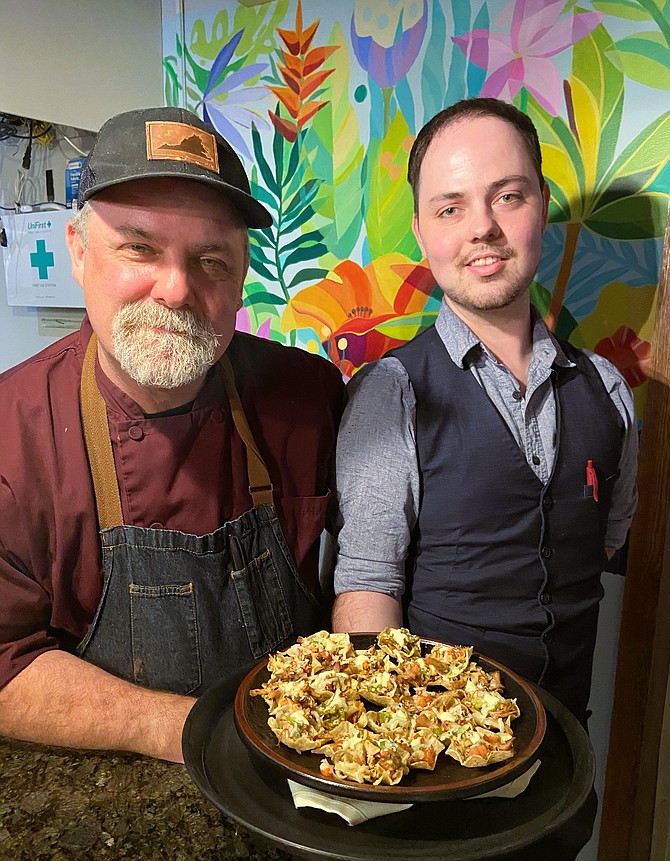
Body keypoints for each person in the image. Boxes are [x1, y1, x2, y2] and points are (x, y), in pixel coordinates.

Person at [0, 107, 344, 764]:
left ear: (243, 277)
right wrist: (196, 731)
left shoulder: (310, 399)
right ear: (78, 251)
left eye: (211, 259)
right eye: (140, 247)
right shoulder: (13, 438)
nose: (178, 287)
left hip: (303, 778)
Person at [332, 97, 638, 724]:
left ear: (542, 205)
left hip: (565, 766)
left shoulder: (608, 391)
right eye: (451, 207)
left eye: (508, 196)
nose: (482, 229)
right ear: (421, 230)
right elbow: (368, 590)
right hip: (437, 772)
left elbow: (604, 540)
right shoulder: (391, 392)